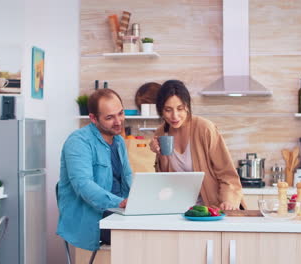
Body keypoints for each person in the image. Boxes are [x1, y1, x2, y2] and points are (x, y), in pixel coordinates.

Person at [56, 88, 132, 252]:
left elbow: (127, 177)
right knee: (141, 236)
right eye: (110, 117)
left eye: (120, 113)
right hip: (93, 219)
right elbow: (83, 184)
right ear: (93, 118)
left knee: (158, 228)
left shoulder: (118, 141)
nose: (118, 121)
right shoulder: (78, 142)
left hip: (119, 213)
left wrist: (142, 198)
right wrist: (119, 202)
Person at [149, 80, 243, 210]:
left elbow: (227, 173)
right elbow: (166, 180)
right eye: (168, 110)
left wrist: (228, 201)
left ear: (187, 106)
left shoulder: (205, 129)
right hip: (179, 209)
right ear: (161, 110)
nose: (174, 116)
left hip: (211, 208)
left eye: (180, 109)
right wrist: (160, 153)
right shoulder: (161, 132)